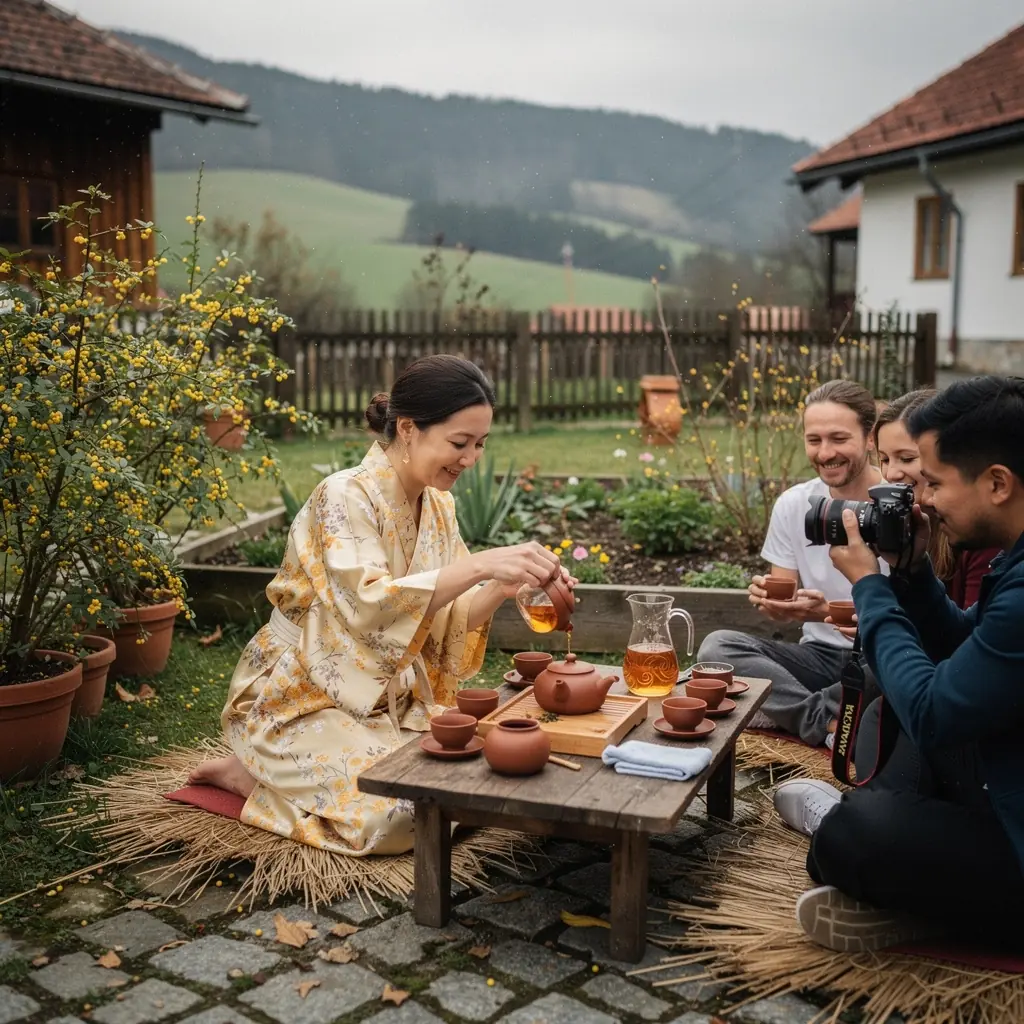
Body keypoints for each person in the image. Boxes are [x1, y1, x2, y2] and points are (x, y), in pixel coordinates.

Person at [189, 355, 569, 856]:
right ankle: (249, 779)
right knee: (407, 816)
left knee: (465, 791)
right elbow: (370, 606)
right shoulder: (342, 496)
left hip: (378, 697)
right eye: (459, 443)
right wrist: (483, 565)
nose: (471, 458)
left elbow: (444, 620)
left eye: (480, 444)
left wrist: (504, 584)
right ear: (408, 429)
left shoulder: (438, 504)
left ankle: (285, 776)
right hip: (296, 697)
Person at [772, 376, 1024, 952]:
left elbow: (937, 714)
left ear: (998, 483)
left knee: (853, 834)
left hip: (1016, 832)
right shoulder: (1015, 557)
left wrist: (869, 586)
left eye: (933, 481)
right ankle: (916, 878)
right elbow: (963, 648)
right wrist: (910, 576)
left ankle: (920, 895)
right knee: (901, 700)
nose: (923, 499)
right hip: (1004, 770)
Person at [696, 379, 887, 746]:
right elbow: (785, 610)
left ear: (870, 438)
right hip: (818, 656)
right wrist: (777, 603)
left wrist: (822, 611)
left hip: (879, 656)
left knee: (896, 671)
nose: (825, 452)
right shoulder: (794, 504)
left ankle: (792, 711)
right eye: (814, 440)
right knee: (717, 648)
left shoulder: (896, 505)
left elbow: (907, 620)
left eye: (838, 438)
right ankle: (826, 721)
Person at [831, 390, 1001, 777]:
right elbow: (963, 634)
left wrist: (871, 588)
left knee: (881, 711)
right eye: (885, 460)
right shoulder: (928, 525)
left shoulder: (979, 535)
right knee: (725, 643)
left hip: (993, 767)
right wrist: (913, 570)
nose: (891, 474)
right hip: (955, 703)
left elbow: (944, 692)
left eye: (908, 459)